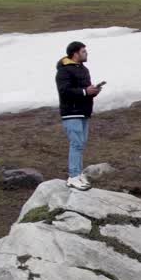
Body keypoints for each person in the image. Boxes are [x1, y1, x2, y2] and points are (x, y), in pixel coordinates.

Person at [55, 41, 102, 190]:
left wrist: (93, 91)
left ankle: (78, 174)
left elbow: (85, 91)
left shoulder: (84, 69)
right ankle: (73, 177)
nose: (86, 53)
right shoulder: (64, 71)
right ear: (75, 53)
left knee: (81, 144)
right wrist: (84, 92)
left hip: (84, 112)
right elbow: (64, 91)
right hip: (71, 113)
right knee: (76, 144)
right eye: (83, 51)